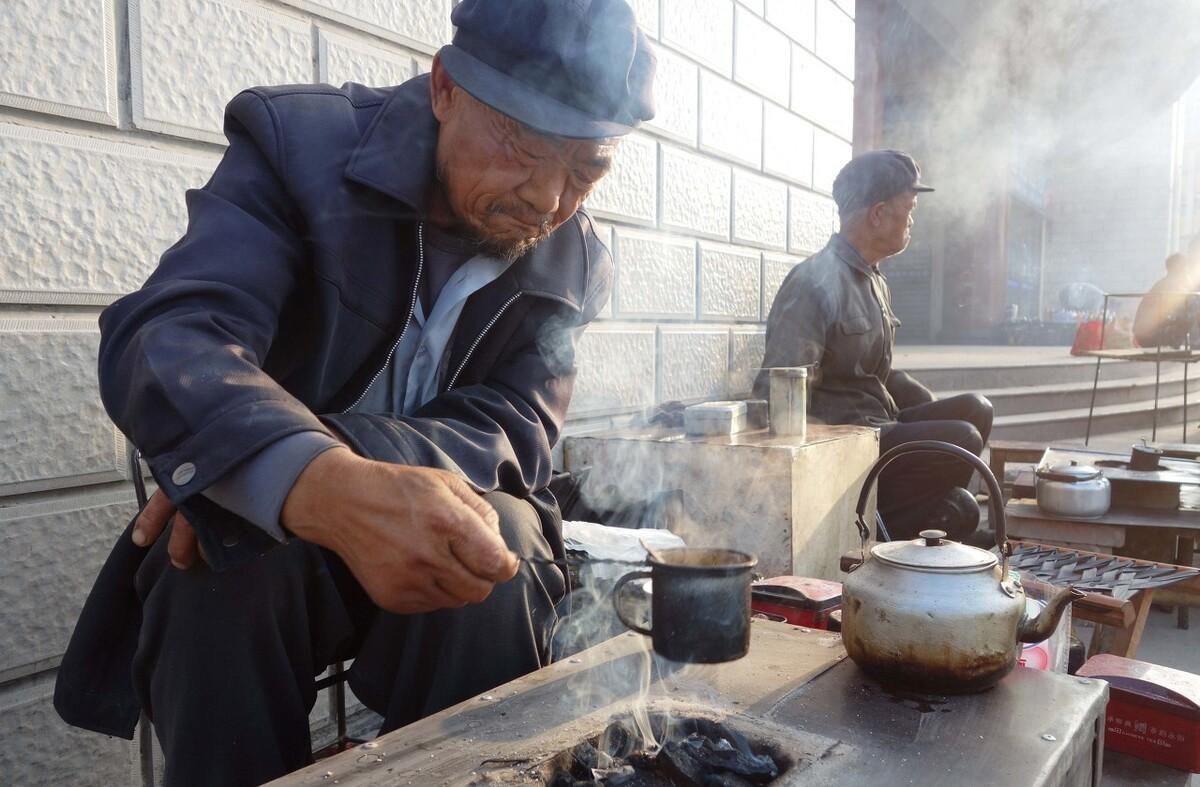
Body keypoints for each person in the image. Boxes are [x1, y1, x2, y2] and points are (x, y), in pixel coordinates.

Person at [53, 0, 655, 783]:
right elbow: (172, 335)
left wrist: (312, 458)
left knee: (493, 547)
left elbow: (518, 429)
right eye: (523, 142)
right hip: (277, 540)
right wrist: (304, 484)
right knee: (216, 558)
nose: (547, 199)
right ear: (444, 87)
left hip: (399, 513)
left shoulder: (575, 257)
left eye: (586, 169)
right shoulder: (298, 147)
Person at [754, 150, 993, 541]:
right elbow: (779, 387)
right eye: (909, 208)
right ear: (878, 214)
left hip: (878, 424)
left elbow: (862, 367)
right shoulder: (813, 283)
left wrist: (905, 387)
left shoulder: (872, 279)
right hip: (846, 442)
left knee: (976, 410)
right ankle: (876, 533)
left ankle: (933, 516)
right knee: (961, 438)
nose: (913, 220)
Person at [1134, 252, 1200, 349]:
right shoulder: (1171, 286)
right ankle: (1195, 346)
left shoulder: (1164, 284)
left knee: (1191, 313)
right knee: (1192, 314)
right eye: (1185, 268)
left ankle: (1194, 345)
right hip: (1153, 337)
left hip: (1146, 335)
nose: (1187, 271)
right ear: (1178, 268)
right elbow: (1182, 314)